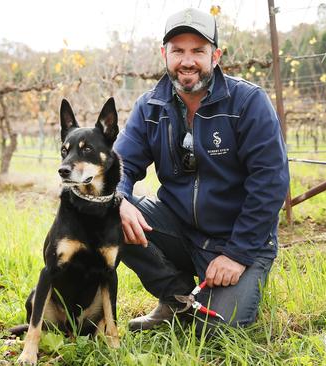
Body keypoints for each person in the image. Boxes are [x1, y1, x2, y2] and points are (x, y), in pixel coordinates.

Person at [114, 7, 289, 336]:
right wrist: (119, 199)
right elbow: (119, 166)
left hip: (238, 238)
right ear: (164, 54)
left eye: (198, 50)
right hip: (180, 227)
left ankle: (213, 295)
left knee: (213, 332)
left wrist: (237, 255)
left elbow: (270, 184)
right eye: (178, 50)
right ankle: (176, 299)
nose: (187, 61)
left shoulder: (248, 102)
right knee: (104, 212)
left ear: (216, 56)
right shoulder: (150, 106)